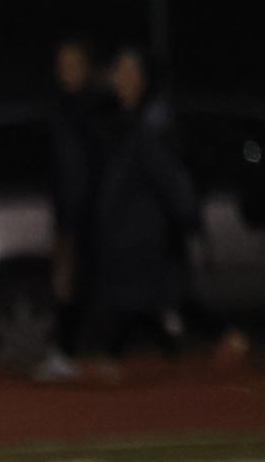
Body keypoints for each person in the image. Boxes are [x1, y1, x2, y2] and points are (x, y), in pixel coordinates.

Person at [91, 48, 198, 366]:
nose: (117, 79)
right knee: (141, 306)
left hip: (143, 234)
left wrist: (185, 215)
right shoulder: (118, 120)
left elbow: (169, 177)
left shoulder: (150, 124)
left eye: (126, 73)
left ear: (142, 80)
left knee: (141, 303)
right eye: (116, 72)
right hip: (124, 234)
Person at [39, 39, 102, 382]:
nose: (66, 72)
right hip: (70, 208)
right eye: (61, 64)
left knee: (88, 280)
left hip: (95, 209)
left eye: (74, 64)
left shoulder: (98, 109)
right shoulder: (61, 108)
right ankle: (65, 351)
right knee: (65, 280)